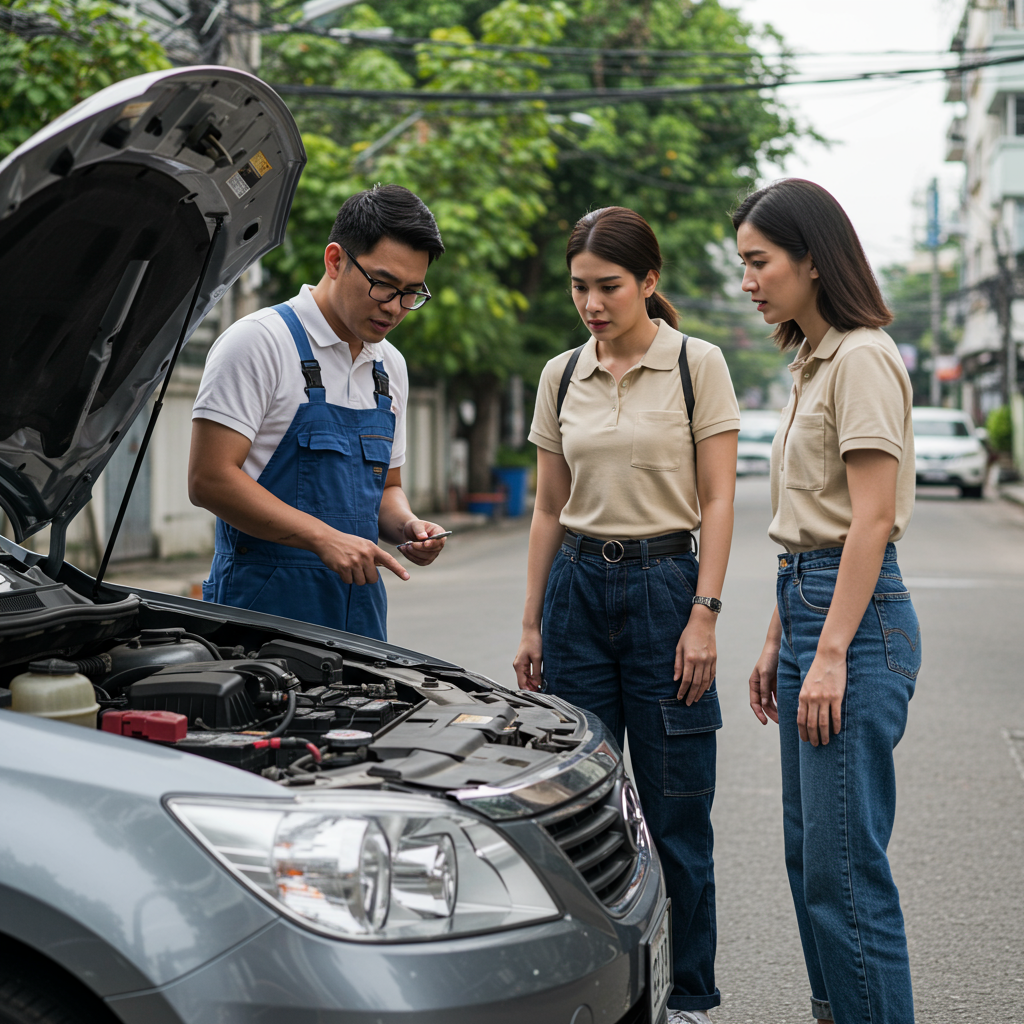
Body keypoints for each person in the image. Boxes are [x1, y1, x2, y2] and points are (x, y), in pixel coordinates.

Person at [514, 206, 740, 1024]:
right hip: (576, 590)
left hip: (665, 589)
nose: (591, 303)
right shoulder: (560, 374)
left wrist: (704, 613)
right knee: (577, 810)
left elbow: (719, 499)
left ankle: (691, 998)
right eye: (579, 287)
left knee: (677, 814)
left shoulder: (697, 365)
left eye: (608, 286)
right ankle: (598, 994)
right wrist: (532, 622)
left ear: (649, 281)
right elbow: (549, 506)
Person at [738, 179, 920, 1024]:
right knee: (811, 860)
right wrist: (781, 636)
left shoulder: (862, 358)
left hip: (858, 619)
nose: (748, 281)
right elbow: (814, 520)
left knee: (846, 872)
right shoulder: (811, 363)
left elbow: (870, 519)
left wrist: (833, 650)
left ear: (813, 260)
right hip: (809, 602)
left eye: (760, 262)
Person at [188, 184, 449, 641]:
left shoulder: (390, 367)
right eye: (383, 284)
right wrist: (322, 537)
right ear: (335, 260)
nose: (394, 307)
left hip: (360, 619)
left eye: (411, 293)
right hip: (261, 618)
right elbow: (209, 479)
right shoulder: (258, 342)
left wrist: (408, 525)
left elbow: (386, 489)